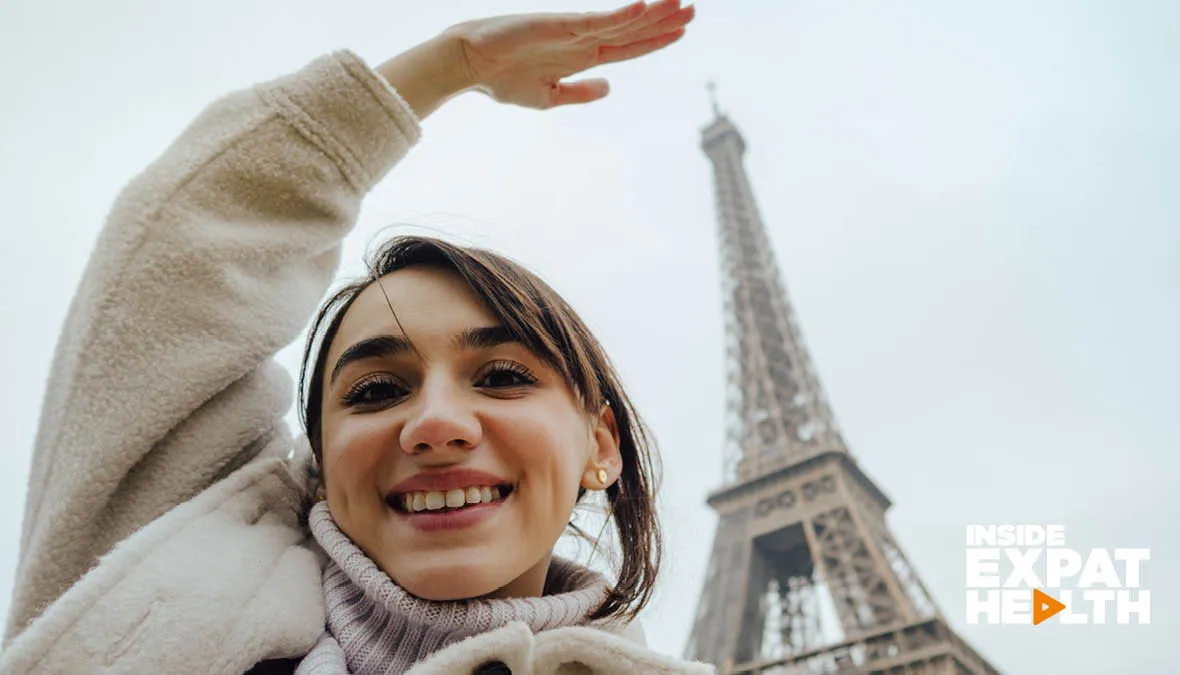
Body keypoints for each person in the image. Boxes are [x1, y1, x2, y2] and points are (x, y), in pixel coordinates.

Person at [0, 2, 714, 673]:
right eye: (375, 391)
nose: (435, 423)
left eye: (500, 375)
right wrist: (447, 68)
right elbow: (174, 263)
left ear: (600, 447)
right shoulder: (160, 588)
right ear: (318, 471)